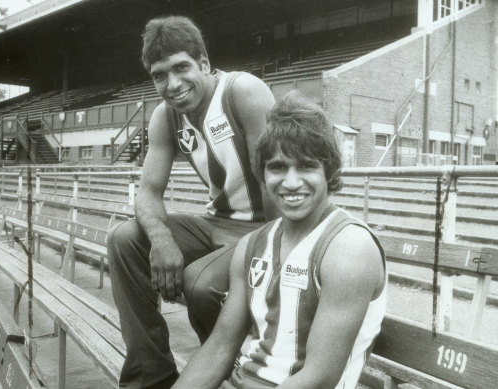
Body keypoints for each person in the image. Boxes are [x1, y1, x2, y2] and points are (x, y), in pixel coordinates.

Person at [172, 91, 387, 389]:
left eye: (307, 166)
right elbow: (219, 347)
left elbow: (319, 377)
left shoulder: (349, 248)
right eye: (277, 167)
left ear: (329, 171)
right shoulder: (251, 245)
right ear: (262, 173)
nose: (291, 182)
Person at [107, 15, 276, 388]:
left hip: (266, 227)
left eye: (181, 68)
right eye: (159, 74)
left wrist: (265, 249)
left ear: (203, 63)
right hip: (217, 223)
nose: (173, 84)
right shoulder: (165, 117)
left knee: (200, 284)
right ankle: (150, 375)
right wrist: (163, 239)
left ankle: (231, 375)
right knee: (124, 239)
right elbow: (149, 191)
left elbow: (276, 188)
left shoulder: (243, 93)